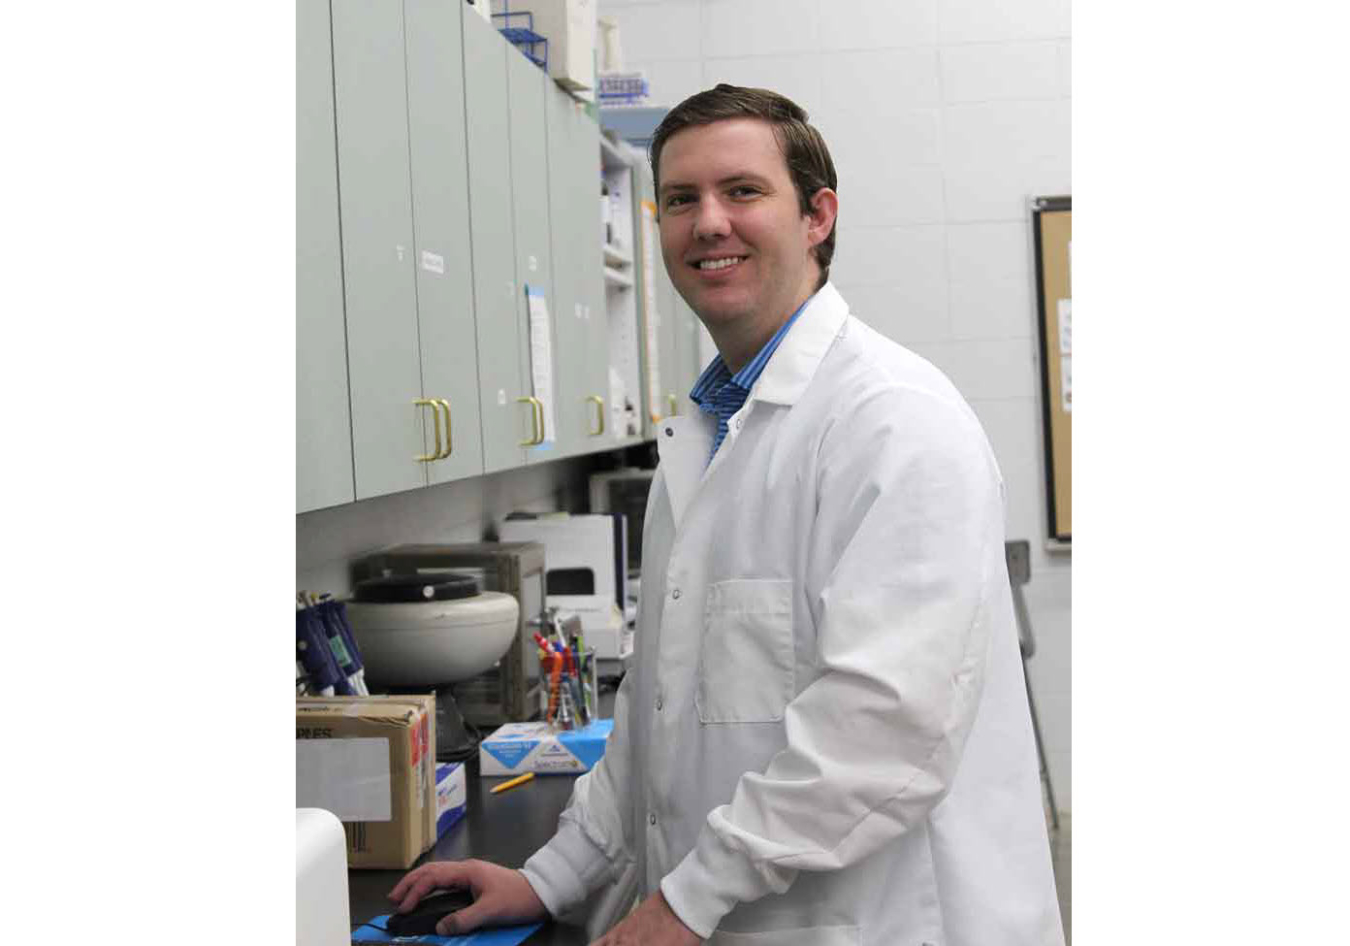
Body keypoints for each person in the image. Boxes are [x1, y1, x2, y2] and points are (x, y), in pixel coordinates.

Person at [389, 84, 1065, 946]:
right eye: (680, 200)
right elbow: (657, 708)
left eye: (742, 191)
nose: (708, 223)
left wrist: (687, 898)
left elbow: (882, 727)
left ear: (817, 216)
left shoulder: (896, 423)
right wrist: (549, 877)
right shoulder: (709, 434)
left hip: (880, 923)